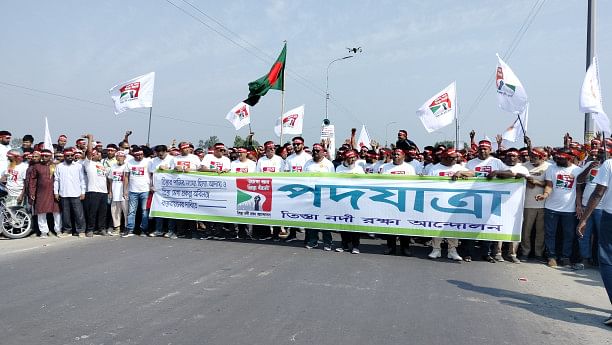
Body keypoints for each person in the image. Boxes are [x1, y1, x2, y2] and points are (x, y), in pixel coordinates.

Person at [576, 156, 612, 327]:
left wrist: (584, 219)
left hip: (610, 217)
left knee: (607, 261)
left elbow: (598, 192)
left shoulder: (609, 164)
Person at [535, 148, 583, 268]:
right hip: (551, 207)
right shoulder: (551, 168)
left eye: (561, 158)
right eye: (557, 158)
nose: (558, 160)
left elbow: (578, 190)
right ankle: (551, 256)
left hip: (569, 209)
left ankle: (565, 257)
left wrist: (578, 205)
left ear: (569, 158)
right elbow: (549, 185)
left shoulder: (577, 170)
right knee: (550, 233)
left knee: (569, 234)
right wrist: (545, 195)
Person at [425, 148, 473, 261]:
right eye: (451, 158)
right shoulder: (434, 169)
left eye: (455, 158)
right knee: (437, 225)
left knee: (453, 226)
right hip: (437, 202)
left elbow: (473, 173)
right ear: (443, 158)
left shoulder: (458, 167)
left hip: (455, 203)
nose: (454, 160)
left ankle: (452, 250)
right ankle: (436, 249)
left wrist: (461, 172)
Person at [574, 148, 609, 269]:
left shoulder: (609, 166)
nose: (600, 155)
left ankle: (602, 262)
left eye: (603, 152)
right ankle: (584, 259)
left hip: (603, 208)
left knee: (603, 236)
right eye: (599, 153)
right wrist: (589, 168)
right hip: (586, 205)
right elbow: (579, 180)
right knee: (583, 233)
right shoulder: (590, 164)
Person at [379, 149, 416, 256]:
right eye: (394, 154)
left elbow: (413, 184)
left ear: (403, 156)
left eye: (398, 154)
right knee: (390, 224)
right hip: (389, 200)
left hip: (404, 200)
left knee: (404, 225)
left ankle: (405, 248)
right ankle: (391, 247)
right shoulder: (385, 167)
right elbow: (381, 183)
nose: (395, 156)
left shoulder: (409, 168)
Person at [303, 143, 335, 250]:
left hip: (324, 195)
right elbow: (303, 178)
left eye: (318, 151)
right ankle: (313, 241)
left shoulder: (328, 164)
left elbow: (333, 181)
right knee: (312, 219)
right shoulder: (308, 163)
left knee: (325, 219)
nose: (315, 152)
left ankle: (327, 242)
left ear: (323, 152)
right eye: (314, 150)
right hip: (311, 195)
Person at [520, 148, 550, 262]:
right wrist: (527, 181)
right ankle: (525, 252)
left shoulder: (548, 167)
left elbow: (550, 183)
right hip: (528, 203)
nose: (531, 159)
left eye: (535, 157)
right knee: (526, 230)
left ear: (542, 157)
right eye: (531, 156)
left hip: (543, 204)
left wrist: (536, 182)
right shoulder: (524, 166)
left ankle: (539, 253)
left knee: (540, 231)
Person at [335, 149, 364, 254]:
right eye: (349, 157)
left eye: (353, 157)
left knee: (355, 223)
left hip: (356, 199)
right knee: (343, 223)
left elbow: (363, 184)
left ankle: (356, 245)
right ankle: (344, 244)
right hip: (342, 199)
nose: (352, 159)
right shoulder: (339, 168)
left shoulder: (360, 169)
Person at [28, 149, 62, 238]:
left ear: (51, 156)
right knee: (41, 212)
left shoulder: (56, 166)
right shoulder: (37, 166)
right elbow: (32, 180)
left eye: (46, 156)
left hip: (54, 192)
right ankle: (43, 231)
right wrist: (32, 192)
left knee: (56, 212)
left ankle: (58, 230)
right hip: (41, 193)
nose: (44, 157)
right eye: (42, 156)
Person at [54, 148, 87, 237]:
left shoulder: (78, 166)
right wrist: (56, 192)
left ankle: (81, 231)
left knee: (79, 214)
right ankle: (67, 231)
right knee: (65, 214)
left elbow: (82, 180)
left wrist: (83, 192)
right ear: (64, 156)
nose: (69, 157)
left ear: (73, 156)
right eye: (67, 156)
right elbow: (56, 180)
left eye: (71, 155)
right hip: (63, 194)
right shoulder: (59, 166)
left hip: (76, 193)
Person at [82, 134, 109, 237]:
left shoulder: (102, 164)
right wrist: (90, 139)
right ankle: (90, 230)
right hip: (93, 191)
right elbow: (88, 151)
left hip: (103, 192)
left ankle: (101, 228)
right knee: (92, 212)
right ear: (93, 155)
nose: (99, 154)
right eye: (97, 153)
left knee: (103, 212)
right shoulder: (88, 163)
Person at [122, 146, 151, 237]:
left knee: (144, 211)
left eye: (141, 154)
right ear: (134, 155)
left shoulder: (148, 162)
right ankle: (130, 229)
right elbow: (126, 177)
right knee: (131, 211)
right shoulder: (129, 163)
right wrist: (125, 190)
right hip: (132, 190)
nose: (139, 157)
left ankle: (144, 229)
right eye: (137, 155)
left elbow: (153, 174)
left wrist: (151, 186)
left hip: (145, 190)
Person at [108, 151, 128, 236]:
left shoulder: (127, 166)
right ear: (116, 158)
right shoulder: (113, 167)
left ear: (124, 158)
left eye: (122, 156)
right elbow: (110, 180)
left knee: (126, 211)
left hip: (124, 193)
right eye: (118, 156)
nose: (120, 158)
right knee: (115, 211)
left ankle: (127, 227)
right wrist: (110, 191)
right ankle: (117, 227)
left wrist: (125, 191)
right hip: (115, 192)